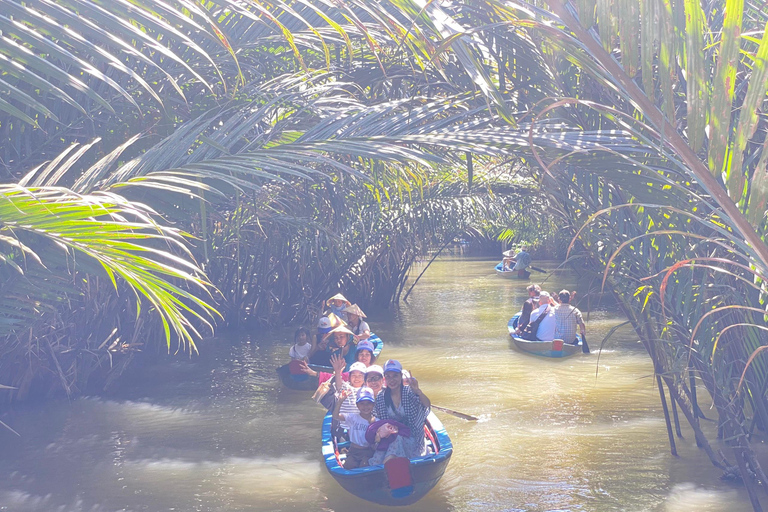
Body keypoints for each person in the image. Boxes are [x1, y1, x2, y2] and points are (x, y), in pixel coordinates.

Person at [371, 359, 431, 463]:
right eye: (388, 376)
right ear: (385, 378)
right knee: (395, 440)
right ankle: (387, 464)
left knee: (398, 439)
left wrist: (417, 391)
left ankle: (388, 463)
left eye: (395, 376)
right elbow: (378, 418)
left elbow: (426, 404)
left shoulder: (409, 391)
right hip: (390, 437)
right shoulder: (381, 396)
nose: (392, 380)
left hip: (412, 436)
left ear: (400, 376)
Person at [333, 386, 376, 469]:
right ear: (357, 405)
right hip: (353, 450)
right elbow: (335, 416)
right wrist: (340, 402)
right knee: (349, 466)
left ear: (373, 404)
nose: (365, 407)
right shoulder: (353, 417)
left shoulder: (375, 421)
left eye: (368, 403)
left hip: (368, 451)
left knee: (365, 466)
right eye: (362, 403)